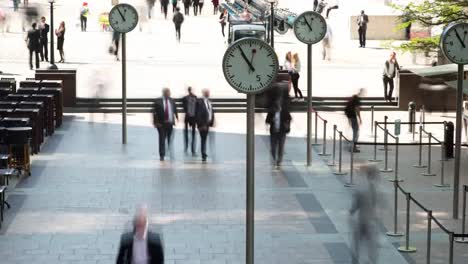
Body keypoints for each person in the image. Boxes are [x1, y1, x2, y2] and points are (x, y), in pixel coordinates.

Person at [350, 164, 384, 264]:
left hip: (362, 220)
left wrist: (351, 213)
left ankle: (356, 259)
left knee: (357, 243)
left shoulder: (362, 189)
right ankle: (370, 261)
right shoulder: (378, 190)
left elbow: (355, 205)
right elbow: (381, 207)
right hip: (371, 221)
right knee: (372, 247)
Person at [153, 88, 178, 161]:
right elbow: (154, 112)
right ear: (164, 93)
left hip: (170, 123)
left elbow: (174, 109)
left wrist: (176, 117)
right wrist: (156, 123)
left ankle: (169, 152)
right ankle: (162, 155)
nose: (169, 93)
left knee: (169, 139)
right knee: (162, 138)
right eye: (167, 92)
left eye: (169, 92)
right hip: (161, 124)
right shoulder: (158, 101)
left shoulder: (172, 100)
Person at [265, 101, 291, 168]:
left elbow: (289, 118)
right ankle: (274, 161)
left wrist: (287, 125)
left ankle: (279, 161)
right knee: (273, 148)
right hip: (274, 132)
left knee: (281, 147)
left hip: (282, 132)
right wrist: (271, 120)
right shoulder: (271, 112)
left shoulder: (284, 112)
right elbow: (267, 120)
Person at [196, 89, 215, 162]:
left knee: (204, 139)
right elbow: (198, 114)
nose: (208, 94)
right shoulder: (200, 102)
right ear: (203, 93)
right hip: (203, 125)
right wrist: (201, 125)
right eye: (207, 93)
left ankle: (204, 153)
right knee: (203, 139)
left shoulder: (209, 102)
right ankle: (203, 154)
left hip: (208, 124)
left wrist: (212, 122)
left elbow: (211, 112)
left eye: (208, 92)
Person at [182, 87, 197, 155]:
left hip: (193, 117)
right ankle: (186, 148)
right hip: (187, 117)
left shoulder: (195, 97)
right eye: (189, 90)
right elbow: (183, 103)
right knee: (186, 133)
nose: (190, 91)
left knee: (193, 134)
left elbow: (197, 107)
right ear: (188, 90)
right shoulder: (185, 98)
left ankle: (193, 150)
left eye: (191, 90)